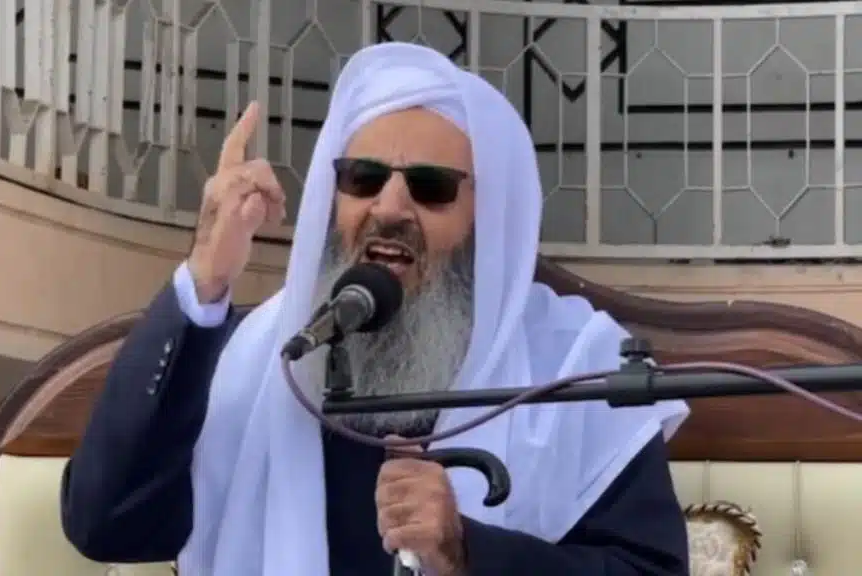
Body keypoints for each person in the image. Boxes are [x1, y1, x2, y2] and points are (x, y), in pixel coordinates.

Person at [60, 42, 691, 576]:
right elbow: (107, 525)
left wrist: (467, 550)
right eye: (362, 178)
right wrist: (205, 278)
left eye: (431, 186)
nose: (388, 208)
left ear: (488, 221)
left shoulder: (573, 365)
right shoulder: (260, 357)